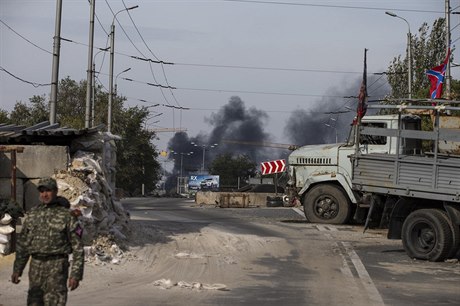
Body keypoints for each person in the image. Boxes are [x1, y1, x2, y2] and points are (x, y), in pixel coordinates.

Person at [11, 177, 84, 306]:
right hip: (36, 266)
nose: (44, 194)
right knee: (34, 302)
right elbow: (23, 244)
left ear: (55, 191)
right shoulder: (33, 214)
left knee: (55, 302)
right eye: (42, 191)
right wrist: (17, 269)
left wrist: (76, 274)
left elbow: (78, 247)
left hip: (57, 267)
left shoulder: (67, 216)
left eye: (48, 191)